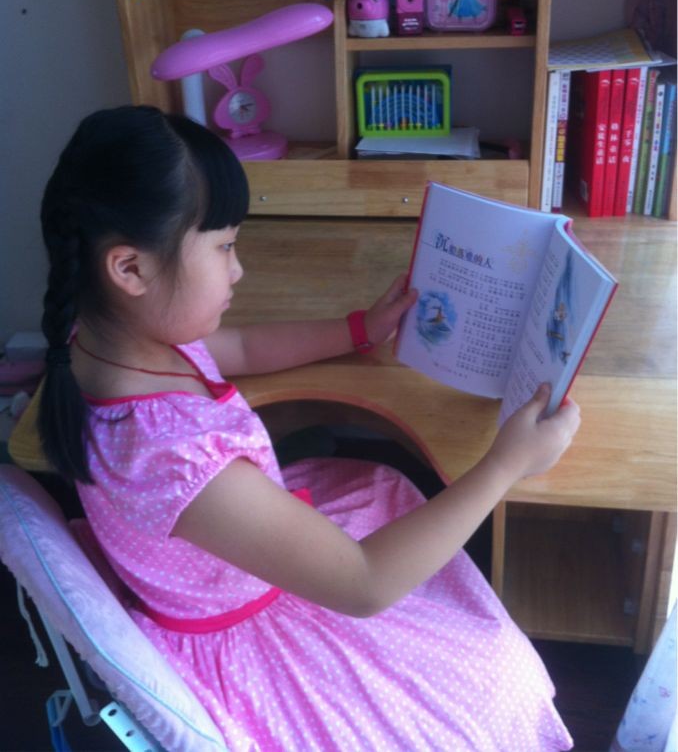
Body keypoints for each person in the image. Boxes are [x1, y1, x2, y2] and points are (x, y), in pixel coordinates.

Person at [38, 105, 580, 751]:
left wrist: (357, 330)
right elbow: (364, 583)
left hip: (239, 552)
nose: (238, 269)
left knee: (387, 491)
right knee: (491, 686)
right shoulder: (168, 455)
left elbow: (238, 348)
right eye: (224, 246)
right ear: (130, 269)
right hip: (262, 631)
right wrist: (506, 464)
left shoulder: (105, 340)